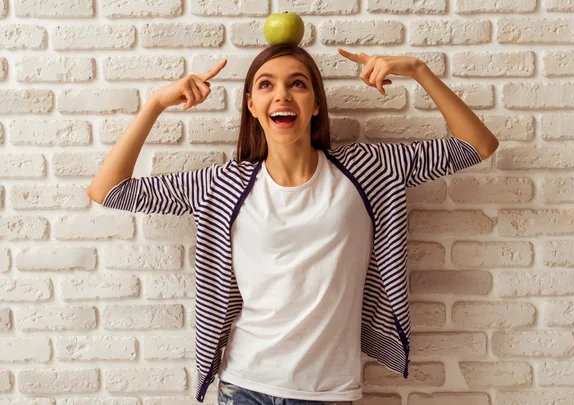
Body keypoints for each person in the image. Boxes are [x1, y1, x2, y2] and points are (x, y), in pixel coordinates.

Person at [87, 44, 499, 405]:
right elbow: (108, 190)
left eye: (297, 84)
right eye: (266, 85)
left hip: (329, 390)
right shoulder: (222, 184)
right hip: (244, 385)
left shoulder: (368, 169)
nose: (282, 94)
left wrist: (419, 71)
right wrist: (156, 103)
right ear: (251, 105)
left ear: (316, 103)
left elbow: (477, 145)